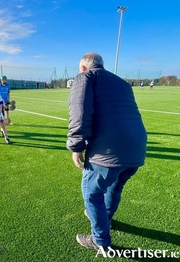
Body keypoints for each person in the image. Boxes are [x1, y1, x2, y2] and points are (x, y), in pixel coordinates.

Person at [66, 53, 147, 252]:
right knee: (114, 188)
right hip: (136, 147)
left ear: (83, 67)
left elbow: (79, 112)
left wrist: (76, 147)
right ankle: (105, 219)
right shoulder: (123, 83)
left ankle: (100, 240)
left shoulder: (85, 77)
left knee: (92, 194)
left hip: (108, 150)